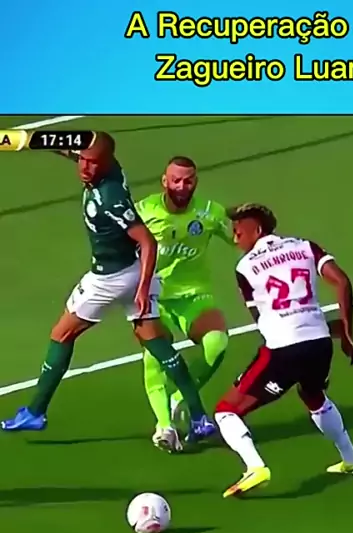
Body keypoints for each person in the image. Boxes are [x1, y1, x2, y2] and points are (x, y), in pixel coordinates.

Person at [1, 133, 214, 441]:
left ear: (104, 164)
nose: (84, 168)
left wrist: (143, 289)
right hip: (133, 270)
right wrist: (21, 141)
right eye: (82, 160)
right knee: (158, 345)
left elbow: (148, 241)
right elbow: (73, 150)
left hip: (109, 279)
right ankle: (199, 418)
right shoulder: (110, 168)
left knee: (62, 334)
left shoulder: (109, 198)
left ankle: (35, 412)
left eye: (91, 163)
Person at [213, 203, 353, 498]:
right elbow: (341, 281)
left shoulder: (245, 268)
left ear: (257, 230)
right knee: (314, 396)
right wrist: (347, 331)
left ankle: (255, 467)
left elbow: (262, 319)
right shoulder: (305, 246)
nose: (235, 239)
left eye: (238, 232)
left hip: (283, 349)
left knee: (226, 411)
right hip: (320, 343)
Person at [135, 156, 233, 452]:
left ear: (196, 182)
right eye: (175, 180)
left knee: (217, 343)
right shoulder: (143, 211)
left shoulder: (210, 213)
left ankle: (179, 397)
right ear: (164, 181)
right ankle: (164, 427)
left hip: (194, 296)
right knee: (155, 359)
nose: (181, 186)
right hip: (155, 297)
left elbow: (239, 238)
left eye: (187, 180)